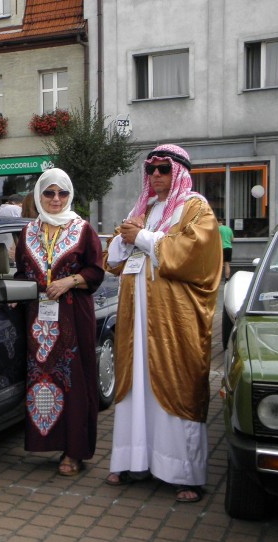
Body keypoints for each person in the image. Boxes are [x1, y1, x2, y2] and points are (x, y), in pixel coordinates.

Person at [104, 144, 221, 504]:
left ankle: (184, 472)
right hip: (135, 319)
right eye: (151, 169)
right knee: (135, 384)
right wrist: (128, 240)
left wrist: (138, 237)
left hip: (173, 321)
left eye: (163, 169)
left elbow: (192, 254)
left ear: (178, 171)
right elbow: (113, 258)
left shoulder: (195, 207)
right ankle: (132, 459)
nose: (156, 175)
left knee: (177, 383)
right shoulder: (142, 208)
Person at [14, 168, 104, 477]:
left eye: (62, 193)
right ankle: (49, 442)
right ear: (39, 196)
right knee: (42, 381)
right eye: (49, 193)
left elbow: (96, 272)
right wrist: (14, 293)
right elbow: (22, 273)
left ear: (70, 196)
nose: (55, 199)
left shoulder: (83, 230)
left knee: (75, 381)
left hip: (73, 317)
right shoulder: (28, 232)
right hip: (38, 321)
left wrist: (70, 281)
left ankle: (75, 451)